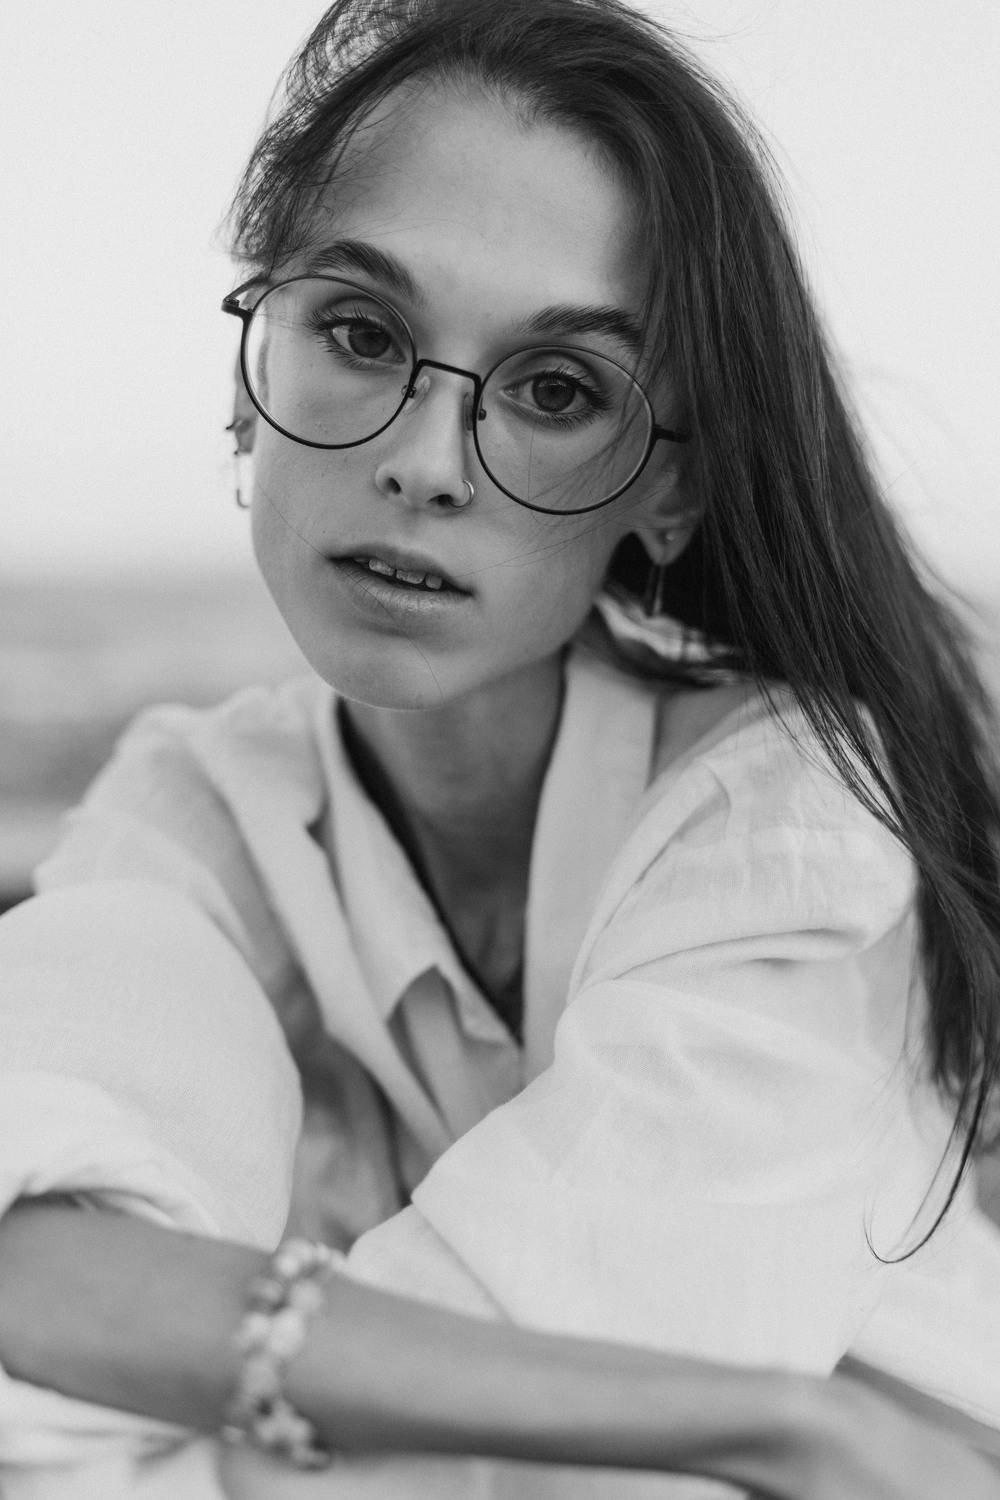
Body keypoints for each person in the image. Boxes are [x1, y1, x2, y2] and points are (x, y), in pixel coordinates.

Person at [1, 0, 999, 1495]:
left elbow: (543, 1418)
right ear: (248, 375)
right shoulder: (194, 808)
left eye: (556, 391)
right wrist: (781, 1428)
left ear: (669, 492)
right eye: (360, 333)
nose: (422, 463)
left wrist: (167, 1347)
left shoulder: (788, 821)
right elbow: (25, 1269)